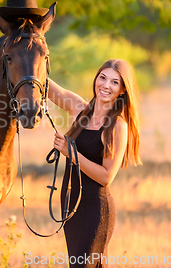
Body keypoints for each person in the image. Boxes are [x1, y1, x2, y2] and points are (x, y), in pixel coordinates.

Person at [48, 59, 141, 268]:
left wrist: (71, 153)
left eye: (114, 82)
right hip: (71, 207)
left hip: (95, 210)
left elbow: (106, 177)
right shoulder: (79, 109)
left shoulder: (117, 125)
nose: (106, 85)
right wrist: (16, 49)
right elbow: (44, 85)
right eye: (103, 77)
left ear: (123, 90)